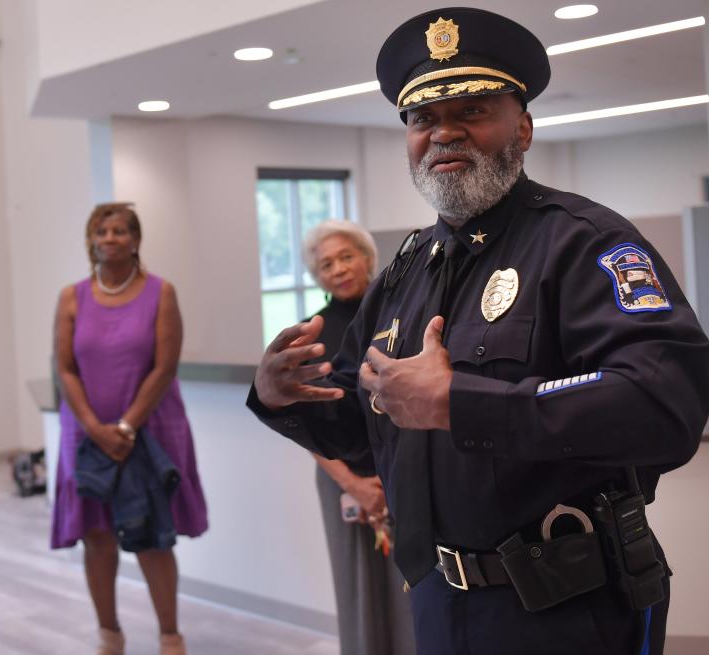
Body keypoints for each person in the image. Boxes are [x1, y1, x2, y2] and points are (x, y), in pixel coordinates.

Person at [247, 8, 709, 655]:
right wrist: (282, 396)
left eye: (472, 111)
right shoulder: (406, 269)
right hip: (440, 596)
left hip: (568, 604)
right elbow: (364, 434)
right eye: (423, 118)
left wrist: (460, 402)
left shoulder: (585, 243)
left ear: (521, 126)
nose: (444, 134)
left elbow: (665, 406)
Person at [51, 202, 208, 655]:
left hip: (150, 428)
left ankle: (170, 637)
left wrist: (124, 426)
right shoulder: (70, 297)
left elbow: (164, 367)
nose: (110, 238)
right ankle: (109, 635)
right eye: (102, 230)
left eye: (120, 230)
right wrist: (94, 428)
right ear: (91, 240)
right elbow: (64, 368)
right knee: (96, 535)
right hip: (85, 431)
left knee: (151, 534)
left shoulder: (161, 293)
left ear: (136, 240)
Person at [301, 220, 414, 655]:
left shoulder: (403, 311)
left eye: (346, 256)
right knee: (357, 589)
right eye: (326, 263)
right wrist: (354, 485)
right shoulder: (310, 334)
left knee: (415, 586)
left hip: (406, 472)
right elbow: (306, 424)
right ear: (318, 276)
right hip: (343, 479)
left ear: (367, 258)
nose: (339, 268)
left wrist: (389, 481)